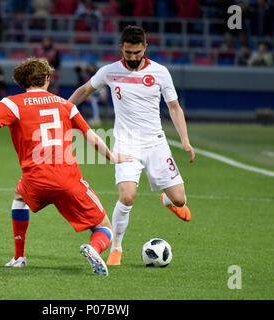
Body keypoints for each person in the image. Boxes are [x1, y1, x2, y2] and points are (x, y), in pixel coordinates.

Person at [0, 58, 132, 276]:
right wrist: (111, 156)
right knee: (104, 228)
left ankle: (19, 257)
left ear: (22, 81)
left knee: (19, 195)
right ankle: (94, 247)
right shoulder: (66, 105)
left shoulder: (12, 104)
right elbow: (90, 136)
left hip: (35, 180)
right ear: (46, 78)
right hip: (68, 180)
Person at [68, 25, 195, 266]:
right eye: (129, 53)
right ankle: (116, 248)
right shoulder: (109, 71)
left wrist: (185, 141)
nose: (133, 57)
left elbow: (174, 108)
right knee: (127, 197)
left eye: (137, 52)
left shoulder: (160, 72)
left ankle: (168, 201)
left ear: (145, 47)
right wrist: (63, 110)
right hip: (126, 144)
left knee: (180, 199)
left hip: (156, 143)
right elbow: (85, 90)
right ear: (121, 49)